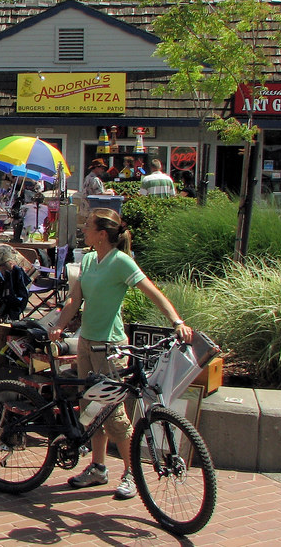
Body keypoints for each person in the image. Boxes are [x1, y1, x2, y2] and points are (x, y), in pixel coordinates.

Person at [48, 208, 194, 501]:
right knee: (92, 411)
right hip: (87, 344)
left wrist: (176, 321)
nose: (83, 230)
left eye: (88, 226)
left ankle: (131, 474)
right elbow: (76, 299)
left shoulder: (120, 262)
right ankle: (98, 468)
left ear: (102, 234)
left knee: (114, 416)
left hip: (111, 347)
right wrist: (59, 327)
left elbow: (153, 292)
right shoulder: (89, 259)